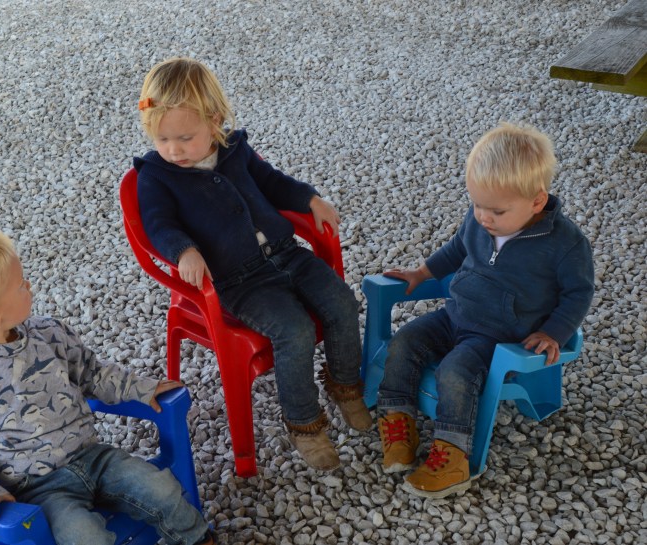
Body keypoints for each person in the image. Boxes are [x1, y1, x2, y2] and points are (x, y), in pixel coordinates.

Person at [133, 57, 372, 472]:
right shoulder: (157, 176)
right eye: (162, 139)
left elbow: (272, 182)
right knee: (294, 330)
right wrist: (184, 250)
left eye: (185, 138)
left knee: (342, 302)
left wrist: (308, 199)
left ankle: (345, 384)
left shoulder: (234, 150)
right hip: (239, 281)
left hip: (287, 254)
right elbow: (157, 225)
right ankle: (304, 423)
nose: (173, 150)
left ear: (214, 120)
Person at [0, 227, 214, 545]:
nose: (29, 285)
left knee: (160, 488)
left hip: (93, 458)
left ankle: (196, 538)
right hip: (39, 489)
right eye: (20, 285)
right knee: (85, 537)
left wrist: (140, 389)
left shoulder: (49, 333)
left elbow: (92, 373)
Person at [376, 122, 594, 498]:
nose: (483, 217)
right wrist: (421, 273)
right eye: (476, 204)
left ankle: (454, 455)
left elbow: (579, 293)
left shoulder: (565, 245)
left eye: (495, 210)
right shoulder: (482, 219)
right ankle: (398, 421)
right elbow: (457, 248)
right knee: (404, 342)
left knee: (455, 372)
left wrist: (553, 332)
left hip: (497, 335)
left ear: (537, 201)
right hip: (455, 314)